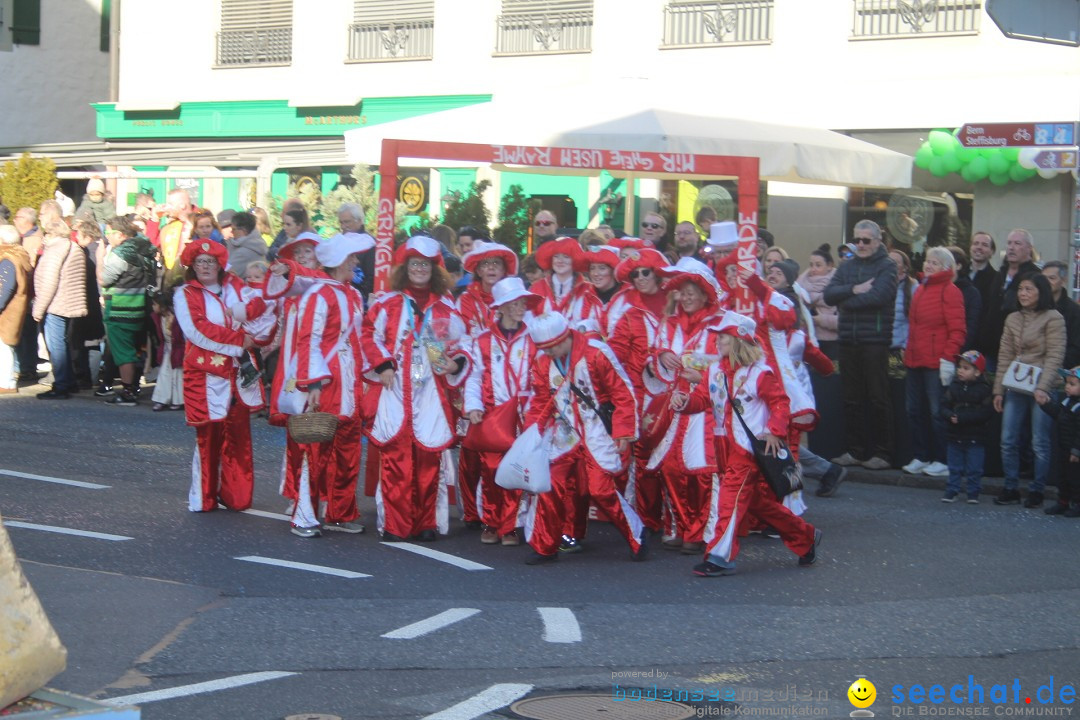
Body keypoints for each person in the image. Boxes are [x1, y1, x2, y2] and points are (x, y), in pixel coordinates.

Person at [672, 310, 821, 578]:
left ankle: (719, 556)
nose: (717, 342)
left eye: (723, 338)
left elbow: (781, 403)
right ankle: (805, 537)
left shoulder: (760, 373)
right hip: (724, 448)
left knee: (729, 501)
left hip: (748, 451)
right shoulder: (715, 370)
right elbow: (703, 400)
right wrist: (684, 403)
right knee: (757, 504)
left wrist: (775, 431)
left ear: (738, 340)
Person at [361, 236, 471, 541]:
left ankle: (426, 523)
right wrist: (383, 365)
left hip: (431, 392)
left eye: (425, 264)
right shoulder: (389, 302)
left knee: (428, 458)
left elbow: (460, 343)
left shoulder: (447, 305)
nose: (420, 269)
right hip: (396, 388)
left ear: (434, 269)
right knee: (396, 458)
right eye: (414, 264)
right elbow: (369, 334)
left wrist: (456, 363)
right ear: (405, 268)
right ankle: (395, 525)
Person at [521, 311, 647, 565]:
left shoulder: (596, 352)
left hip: (596, 430)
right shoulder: (543, 361)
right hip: (565, 432)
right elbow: (542, 400)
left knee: (600, 490)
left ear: (567, 336)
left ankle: (637, 534)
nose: (552, 352)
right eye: (546, 348)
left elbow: (623, 392)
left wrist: (623, 431)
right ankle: (545, 546)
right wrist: (532, 431)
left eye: (555, 346)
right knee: (550, 485)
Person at [174, 239, 274, 512]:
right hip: (205, 375)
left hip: (239, 373)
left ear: (219, 265)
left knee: (239, 436)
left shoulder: (236, 285)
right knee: (208, 437)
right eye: (199, 262)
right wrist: (240, 340)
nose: (205, 266)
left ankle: (236, 496)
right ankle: (204, 497)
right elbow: (198, 330)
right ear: (192, 266)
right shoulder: (186, 294)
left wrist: (257, 327)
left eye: (210, 262)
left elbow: (259, 305)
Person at [284, 233, 373, 537]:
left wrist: (365, 376)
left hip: (349, 382)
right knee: (315, 449)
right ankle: (304, 516)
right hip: (327, 382)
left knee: (348, 450)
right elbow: (308, 340)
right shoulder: (318, 296)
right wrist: (313, 385)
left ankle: (340, 512)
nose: (356, 263)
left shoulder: (353, 294)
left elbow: (359, 339)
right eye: (352, 258)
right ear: (338, 263)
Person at [648, 258, 724, 553]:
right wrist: (661, 358)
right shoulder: (668, 325)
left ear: (706, 294)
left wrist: (703, 376)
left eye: (694, 291)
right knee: (669, 468)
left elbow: (732, 365)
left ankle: (700, 531)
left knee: (702, 472)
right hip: (674, 405)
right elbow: (652, 360)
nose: (688, 297)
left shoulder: (719, 325)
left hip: (706, 410)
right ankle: (676, 526)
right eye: (684, 292)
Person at [463, 276, 543, 545]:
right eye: (516, 303)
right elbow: (474, 375)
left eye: (524, 303)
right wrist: (473, 405)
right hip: (492, 415)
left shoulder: (534, 339)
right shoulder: (483, 340)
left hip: (523, 416)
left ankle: (509, 525)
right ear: (503, 307)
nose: (522, 308)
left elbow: (540, 378)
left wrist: (535, 411)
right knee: (490, 469)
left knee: (516, 468)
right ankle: (490, 521)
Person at [824, 220, 898, 470]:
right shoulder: (848, 266)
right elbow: (829, 294)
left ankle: (883, 453)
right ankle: (854, 451)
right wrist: (855, 289)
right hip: (849, 339)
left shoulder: (887, 266)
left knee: (878, 398)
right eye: (857, 240)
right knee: (851, 398)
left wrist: (846, 301)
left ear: (878, 241)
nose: (861, 245)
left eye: (866, 240)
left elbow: (880, 296)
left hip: (875, 341)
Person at [605, 248, 670, 530]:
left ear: (656, 273)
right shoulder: (630, 315)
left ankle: (676, 518)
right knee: (643, 456)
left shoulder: (676, 306)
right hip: (642, 398)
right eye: (634, 274)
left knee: (675, 458)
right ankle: (647, 517)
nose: (640, 278)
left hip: (678, 393)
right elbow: (614, 355)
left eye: (644, 272)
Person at [456, 241, 516, 529]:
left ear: (505, 269)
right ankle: (472, 512)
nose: (491, 268)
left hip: (505, 386)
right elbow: (460, 339)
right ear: (477, 270)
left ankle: (505, 512)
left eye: (496, 263)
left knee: (505, 450)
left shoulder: (515, 298)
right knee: (471, 450)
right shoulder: (466, 300)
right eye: (485, 264)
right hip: (473, 378)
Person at [993, 273, 1065, 508]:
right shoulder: (1012, 318)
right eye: (1020, 289)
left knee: (1039, 442)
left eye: (1028, 289)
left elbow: (1055, 356)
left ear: (1041, 292)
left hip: (1042, 386)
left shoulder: (1054, 318)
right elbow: (1004, 355)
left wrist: (1043, 387)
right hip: (1016, 384)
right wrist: (998, 390)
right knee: (1008, 439)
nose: (1022, 293)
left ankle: (1037, 489)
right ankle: (1011, 487)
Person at [901, 247, 966, 478]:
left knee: (937, 412)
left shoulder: (950, 291)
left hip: (936, 362)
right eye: (928, 261)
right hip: (915, 360)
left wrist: (948, 359)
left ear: (946, 268)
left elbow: (957, 330)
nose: (929, 265)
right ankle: (921, 456)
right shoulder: (921, 289)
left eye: (935, 263)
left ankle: (942, 459)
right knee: (913, 411)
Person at [100, 216, 157, 406]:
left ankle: (128, 393)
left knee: (124, 353)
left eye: (108, 233)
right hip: (142, 307)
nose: (106, 237)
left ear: (120, 234)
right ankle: (134, 387)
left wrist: (101, 258)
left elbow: (105, 279)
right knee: (137, 350)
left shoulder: (120, 253)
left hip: (121, 309)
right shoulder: (145, 248)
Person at [32, 220, 86, 399]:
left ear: (51, 234)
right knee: (63, 344)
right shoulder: (74, 247)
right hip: (70, 302)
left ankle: (61, 385)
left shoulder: (55, 251)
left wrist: (38, 309)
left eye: (46, 234)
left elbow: (49, 282)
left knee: (56, 346)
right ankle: (69, 381)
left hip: (55, 303)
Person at [976, 229, 1040, 370]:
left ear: (1029, 248)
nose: (1011, 247)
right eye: (1009, 243)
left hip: (1018, 351)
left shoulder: (1035, 276)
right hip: (991, 348)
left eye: (1017, 243)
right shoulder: (1000, 274)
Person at [940, 350, 993, 503]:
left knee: (974, 467)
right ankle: (952, 489)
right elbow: (943, 405)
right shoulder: (954, 386)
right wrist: (949, 415)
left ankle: (973, 492)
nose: (960, 371)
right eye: (960, 367)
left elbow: (985, 413)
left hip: (975, 435)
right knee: (954, 466)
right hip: (954, 434)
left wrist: (962, 418)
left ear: (977, 372)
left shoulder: (983, 389)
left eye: (966, 368)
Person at [529, 237, 602, 326]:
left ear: (574, 260)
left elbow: (593, 324)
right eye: (556, 256)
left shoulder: (588, 290)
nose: (560, 261)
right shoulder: (537, 288)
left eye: (566, 257)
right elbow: (529, 321)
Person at [1041, 366, 1080, 517]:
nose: (1067, 387)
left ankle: (1077, 503)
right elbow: (1058, 414)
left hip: (1074, 449)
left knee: (1075, 478)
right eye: (1067, 383)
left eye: (1072, 384)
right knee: (1062, 476)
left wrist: (1076, 450)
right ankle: (1063, 501)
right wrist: (1045, 404)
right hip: (1063, 445)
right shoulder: (1067, 402)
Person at [0, 225, 31, 394]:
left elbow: (5, 288)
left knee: (3, 347)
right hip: (13, 309)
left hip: (8, 311)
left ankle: (6, 383)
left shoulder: (8, 258)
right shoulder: (17, 255)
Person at [796, 244, 839, 355]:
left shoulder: (838, 285)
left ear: (829, 266)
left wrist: (820, 320)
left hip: (833, 341)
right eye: (811, 265)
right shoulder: (802, 285)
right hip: (810, 338)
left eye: (818, 265)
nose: (813, 269)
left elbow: (844, 319)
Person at [149, 290, 184, 412]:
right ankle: (162, 399)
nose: (153, 306)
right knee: (164, 374)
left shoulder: (176, 318)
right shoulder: (159, 318)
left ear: (162, 306)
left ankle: (177, 400)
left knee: (178, 375)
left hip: (177, 350)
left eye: (155, 304)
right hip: (167, 350)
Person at [1041, 261, 1080, 370]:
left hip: (1059, 370)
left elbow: (1076, 348)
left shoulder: (1074, 311)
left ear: (1063, 281)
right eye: (1043, 278)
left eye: (1052, 278)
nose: (1047, 282)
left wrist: (1055, 366)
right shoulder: (1035, 306)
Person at [947, 246, 982, 351]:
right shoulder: (933, 288)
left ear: (958, 266)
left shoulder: (971, 292)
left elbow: (971, 328)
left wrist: (956, 352)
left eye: (947, 262)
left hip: (956, 352)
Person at [223, 211, 268, 279]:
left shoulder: (243, 252)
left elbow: (225, 275)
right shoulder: (257, 244)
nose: (231, 232)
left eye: (233, 229)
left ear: (243, 230)